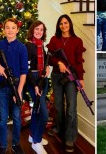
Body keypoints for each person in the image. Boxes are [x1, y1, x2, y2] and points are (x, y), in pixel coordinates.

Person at [46, 14, 86, 153]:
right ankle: (58, 128)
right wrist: (59, 63)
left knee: (71, 108)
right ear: (58, 25)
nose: (63, 25)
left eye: (66, 23)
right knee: (58, 105)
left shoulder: (77, 41)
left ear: (70, 24)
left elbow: (79, 62)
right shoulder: (54, 39)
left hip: (71, 77)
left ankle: (69, 138)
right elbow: (50, 58)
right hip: (57, 76)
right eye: (61, 23)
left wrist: (80, 79)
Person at [0, 18, 28, 154]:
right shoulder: (0, 44)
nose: (10, 30)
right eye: (7, 27)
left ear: (17, 30)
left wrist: (19, 92)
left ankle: (15, 143)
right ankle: (3, 144)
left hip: (16, 88)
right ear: (4, 29)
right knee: (3, 118)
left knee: (16, 117)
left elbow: (24, 72)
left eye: (13, 28)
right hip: (2, 87)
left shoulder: (22, 47)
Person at [25, 21, 50, 154]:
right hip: (33, 80)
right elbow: (26, 68)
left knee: (36, 109)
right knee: (44, 114)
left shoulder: (42, 46)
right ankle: (37, 142)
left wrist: (47, 69)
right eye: (36, 29)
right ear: (32, 30)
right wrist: (35, 85)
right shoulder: (28, 46)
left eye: (41, 29)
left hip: (43, 79)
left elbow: (45, 62)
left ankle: (32, 136)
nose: (39, 32)